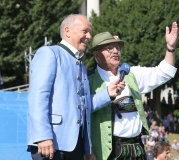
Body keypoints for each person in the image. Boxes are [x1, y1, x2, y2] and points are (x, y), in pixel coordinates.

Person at [27, 14, 125, 160]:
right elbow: (37, 98)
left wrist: (107, 94)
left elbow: (83, 105)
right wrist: (42, 136)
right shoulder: (49, 53)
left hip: (75, 147)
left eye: (89, 32)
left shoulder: (81, 65)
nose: (89, 36)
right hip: (51, 144)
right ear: (67, 31)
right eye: (85, 31)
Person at [87, 21, 178, 160]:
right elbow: (83, 120)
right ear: (96, 55)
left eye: (117, 47)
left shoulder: (132, 74)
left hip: (137, 147)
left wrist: (170, 48)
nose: (116, 51)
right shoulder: (89, 81)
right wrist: (89, 152)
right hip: (107, 152)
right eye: (109, 48)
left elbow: (164, 73)